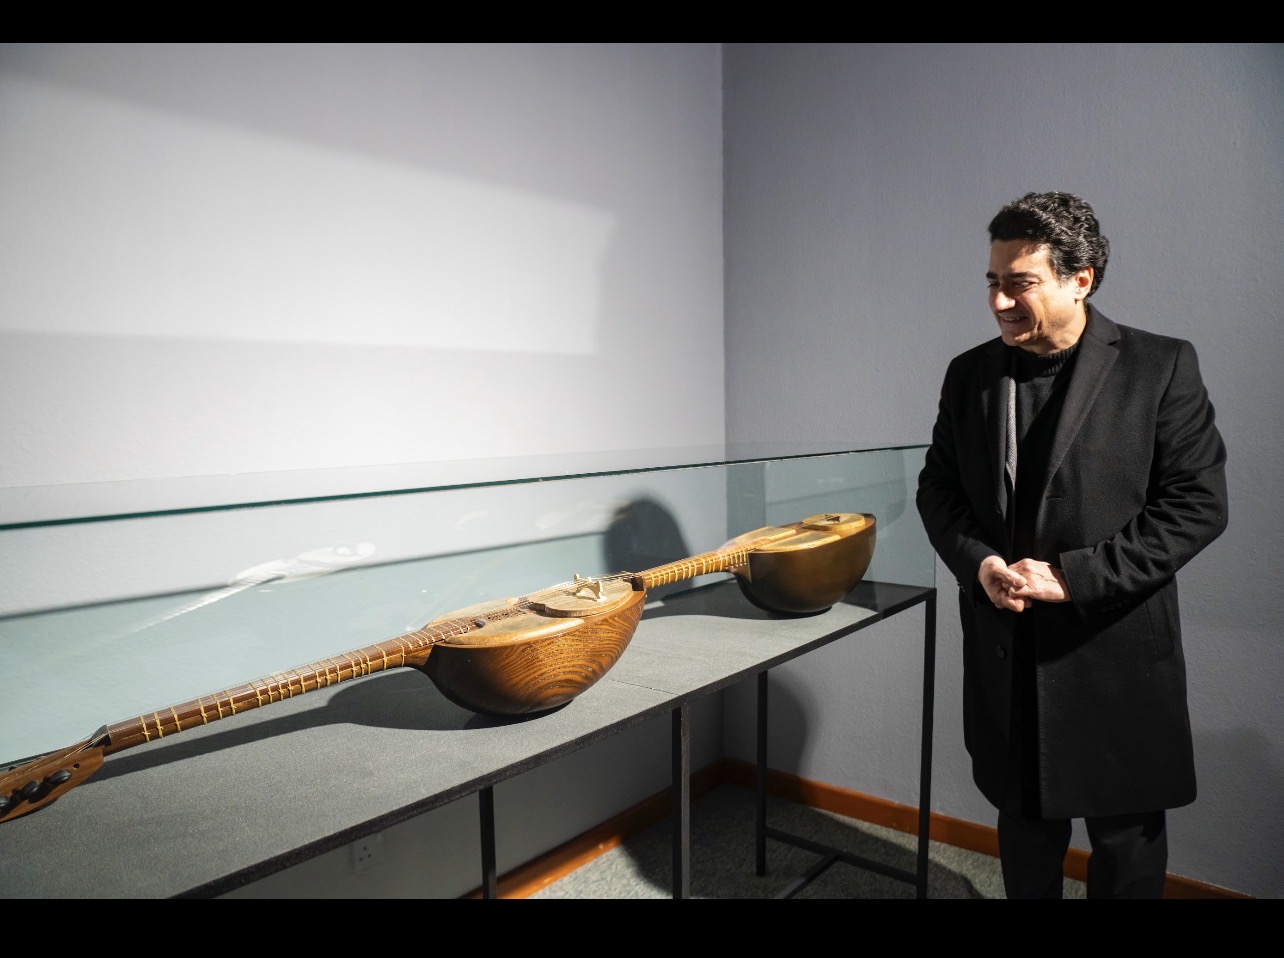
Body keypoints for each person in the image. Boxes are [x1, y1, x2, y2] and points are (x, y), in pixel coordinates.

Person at [915, 191, 1228, 899]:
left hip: (1114, 655)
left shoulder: (1160, 366)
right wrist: (979, 564)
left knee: (1126, 851)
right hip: (1007, 655)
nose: (998, 302)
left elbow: (1197, 505)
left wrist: (1073, 578)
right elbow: (939, 489)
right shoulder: (968, 374)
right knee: (1025, 844)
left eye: (1019, 283)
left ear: (1079, 279)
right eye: (992, 282)